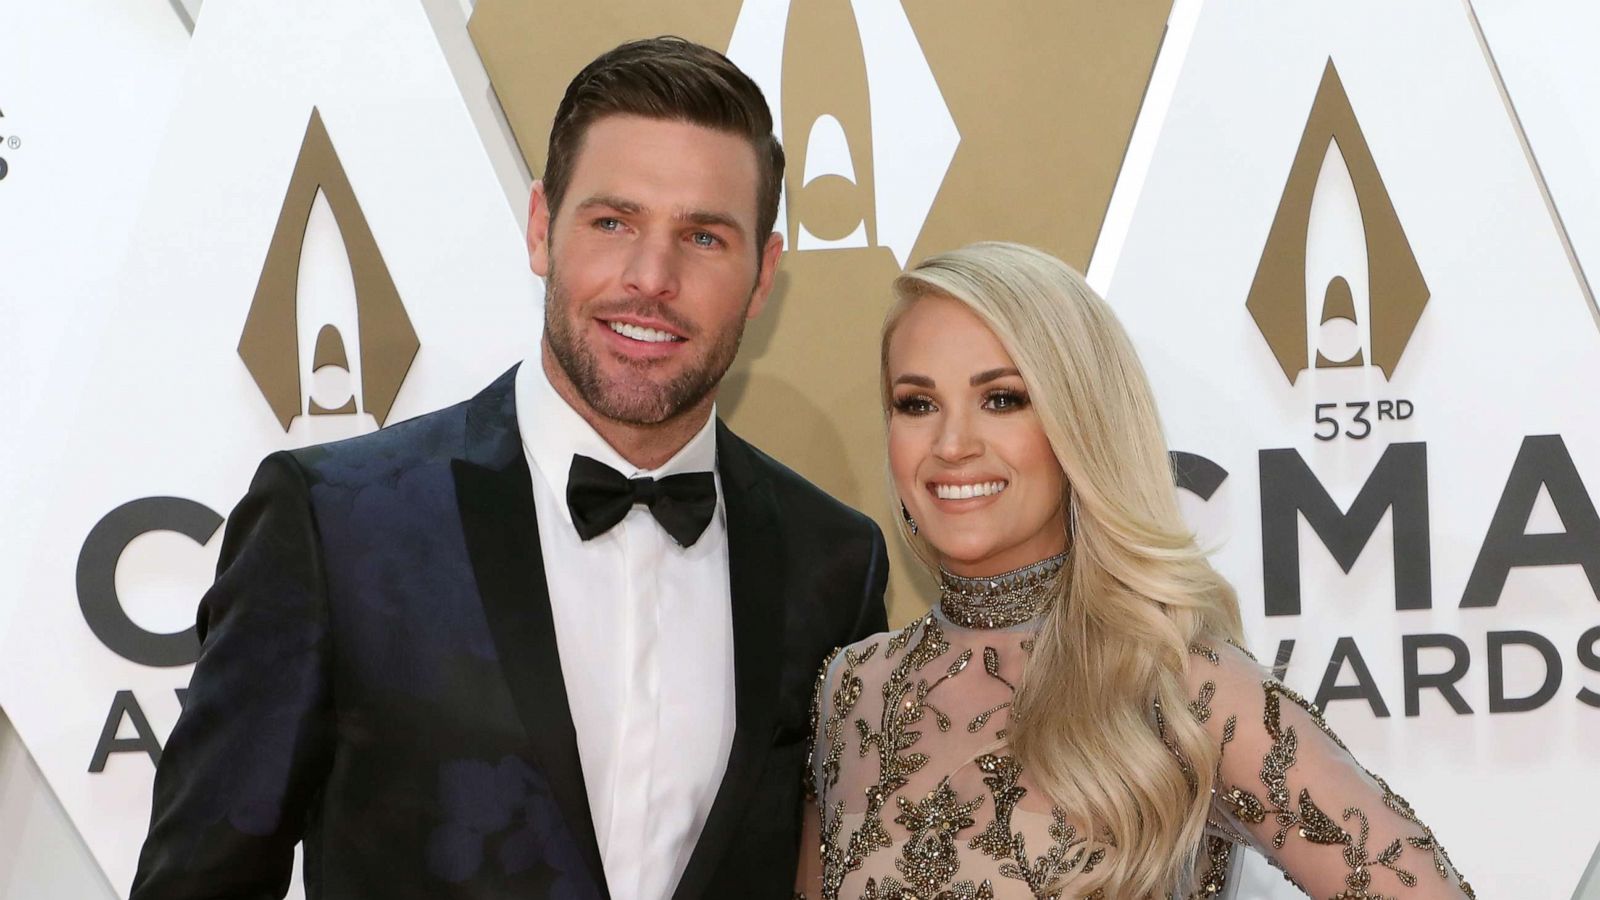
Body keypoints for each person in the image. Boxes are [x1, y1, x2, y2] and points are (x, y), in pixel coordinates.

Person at [133, 37, 888, 900]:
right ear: (541, 229)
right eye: (613, 223)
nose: (652, 277)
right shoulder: (335, 524)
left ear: (763, 276)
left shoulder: (834, 563)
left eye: (705, 237)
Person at [794, 243, 1473, 899]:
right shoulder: (854, 689)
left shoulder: (1181, 683)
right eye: (918, 403)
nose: (951, 444)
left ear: (1081, 421)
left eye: (1002, 399)